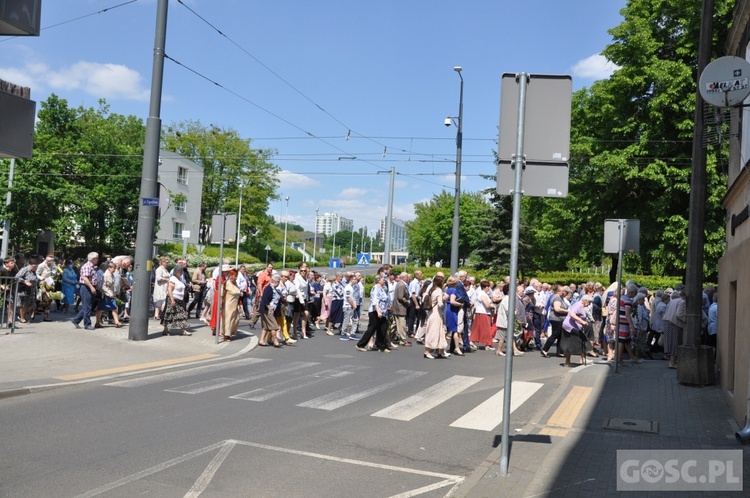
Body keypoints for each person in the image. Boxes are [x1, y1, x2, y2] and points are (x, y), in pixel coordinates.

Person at [355, 274, 391, 353]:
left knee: (383, 328)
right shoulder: (376, 288)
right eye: (382, 279)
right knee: (371, 328)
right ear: (378, 280)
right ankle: (360, 344)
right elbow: (375, 301)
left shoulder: (383, 288)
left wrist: (388, 306)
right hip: (375, 312)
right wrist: (378, 311)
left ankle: (381, 346)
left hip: (383, 312)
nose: (384, 280)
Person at [561, 294, 594, 367]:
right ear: (585, 300)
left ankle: (573, 361)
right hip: (570, 326)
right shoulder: (579, 305)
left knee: (570, 343)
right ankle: (581, 359)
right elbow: (571, 314)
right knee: (583, 340)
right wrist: (582, 321)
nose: (589, 305)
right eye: (589, 302)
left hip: (569, 326)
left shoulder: (577, 304)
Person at [422, 272, 448, 359]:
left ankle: (439, 351)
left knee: (436, 332)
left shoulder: (432, 290)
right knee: (435, 332)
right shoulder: (439, 291)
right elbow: (440, 304)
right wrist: (444, 299)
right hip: (436, 314)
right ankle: (428, 351)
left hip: (431, 313)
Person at [162, 264, 191, 336]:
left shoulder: (180, 279)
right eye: (180, 271)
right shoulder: (172, 278)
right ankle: (165, 330)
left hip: (180, 300)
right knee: (170, 315)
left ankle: (183, 330)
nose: (181, 272)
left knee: (182, 315)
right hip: (173, 299)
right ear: (176, 271)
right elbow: (169, 289)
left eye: (181, 271)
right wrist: (172, 300)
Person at [72, 252, 99, 330]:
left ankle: (76, 320)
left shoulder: (92, 267)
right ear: (93, 259)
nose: (98, 260)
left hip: (90, 287)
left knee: (87, 306)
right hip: (86, 287)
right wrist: (91, 287)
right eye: (97, 258)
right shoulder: (87, 266)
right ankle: (87, 324)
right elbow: (85, 278)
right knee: (87, 307)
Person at [541, 285, 568, 358]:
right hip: (556, 319)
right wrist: (567, 311)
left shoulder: (560, 298)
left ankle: (559, 351)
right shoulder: (557, 298)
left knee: (560, 335)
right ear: (558, 291)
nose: (563, 292)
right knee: (555, 335)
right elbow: (557, 309)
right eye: (562, 291)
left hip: (559, 319)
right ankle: (545, 349)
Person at [470, 280, 495, 350]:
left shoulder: (482, 293)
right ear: (485, 287)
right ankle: (488, 344)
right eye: (488, 287)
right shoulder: (483, 294)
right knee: (486, 328)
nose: (489, 288)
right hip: (484, 313)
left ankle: (472, 341)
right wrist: (493, 306)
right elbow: (487, 305)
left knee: (477, 328)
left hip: (480, 312)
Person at [259, 273, 283, 347]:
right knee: (274, 326)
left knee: (266, 326)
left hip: (269, 310)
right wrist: (270, 308)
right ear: (275, 281)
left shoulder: (274, 289)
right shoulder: (269, 288)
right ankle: (275, 341)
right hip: (267, 310)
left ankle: (262, 340)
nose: (279, 283)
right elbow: (265, 299)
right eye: (278, 281)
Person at [95, 262, 122, 328]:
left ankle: (117, 322)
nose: (115, 270)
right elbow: (103, 286)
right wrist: (109, 293)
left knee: (114, 308)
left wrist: (114, 293)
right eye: (113, 268)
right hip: (105, 295)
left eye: (115, 268)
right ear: (109, 268)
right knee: (101, 309)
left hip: (111, 294)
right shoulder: (105, 275)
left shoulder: (112, 274)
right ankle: (97, 322)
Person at [15, 258, 39, 324]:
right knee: (24, 305)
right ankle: (22, 318)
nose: (35, 268)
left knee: (32, 305)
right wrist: (24, 281)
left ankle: (22, 316)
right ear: (30, 265)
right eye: (34, 266)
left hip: (32, 291)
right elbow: (16, 277)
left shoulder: (33, 271)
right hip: (24, 290)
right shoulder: (24, 269)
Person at [220, 268, 241, 341]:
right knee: (228, 320)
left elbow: (238, 292)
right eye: (235, 276)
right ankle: (226, 335)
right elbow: (221, 294)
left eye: (236, 276)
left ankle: (230, 333)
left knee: (235, 320)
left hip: (235, 305)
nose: (236, 277)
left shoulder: (235, 283)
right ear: (230, 275)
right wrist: (220, 304)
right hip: (228, 305)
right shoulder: (226, 283)